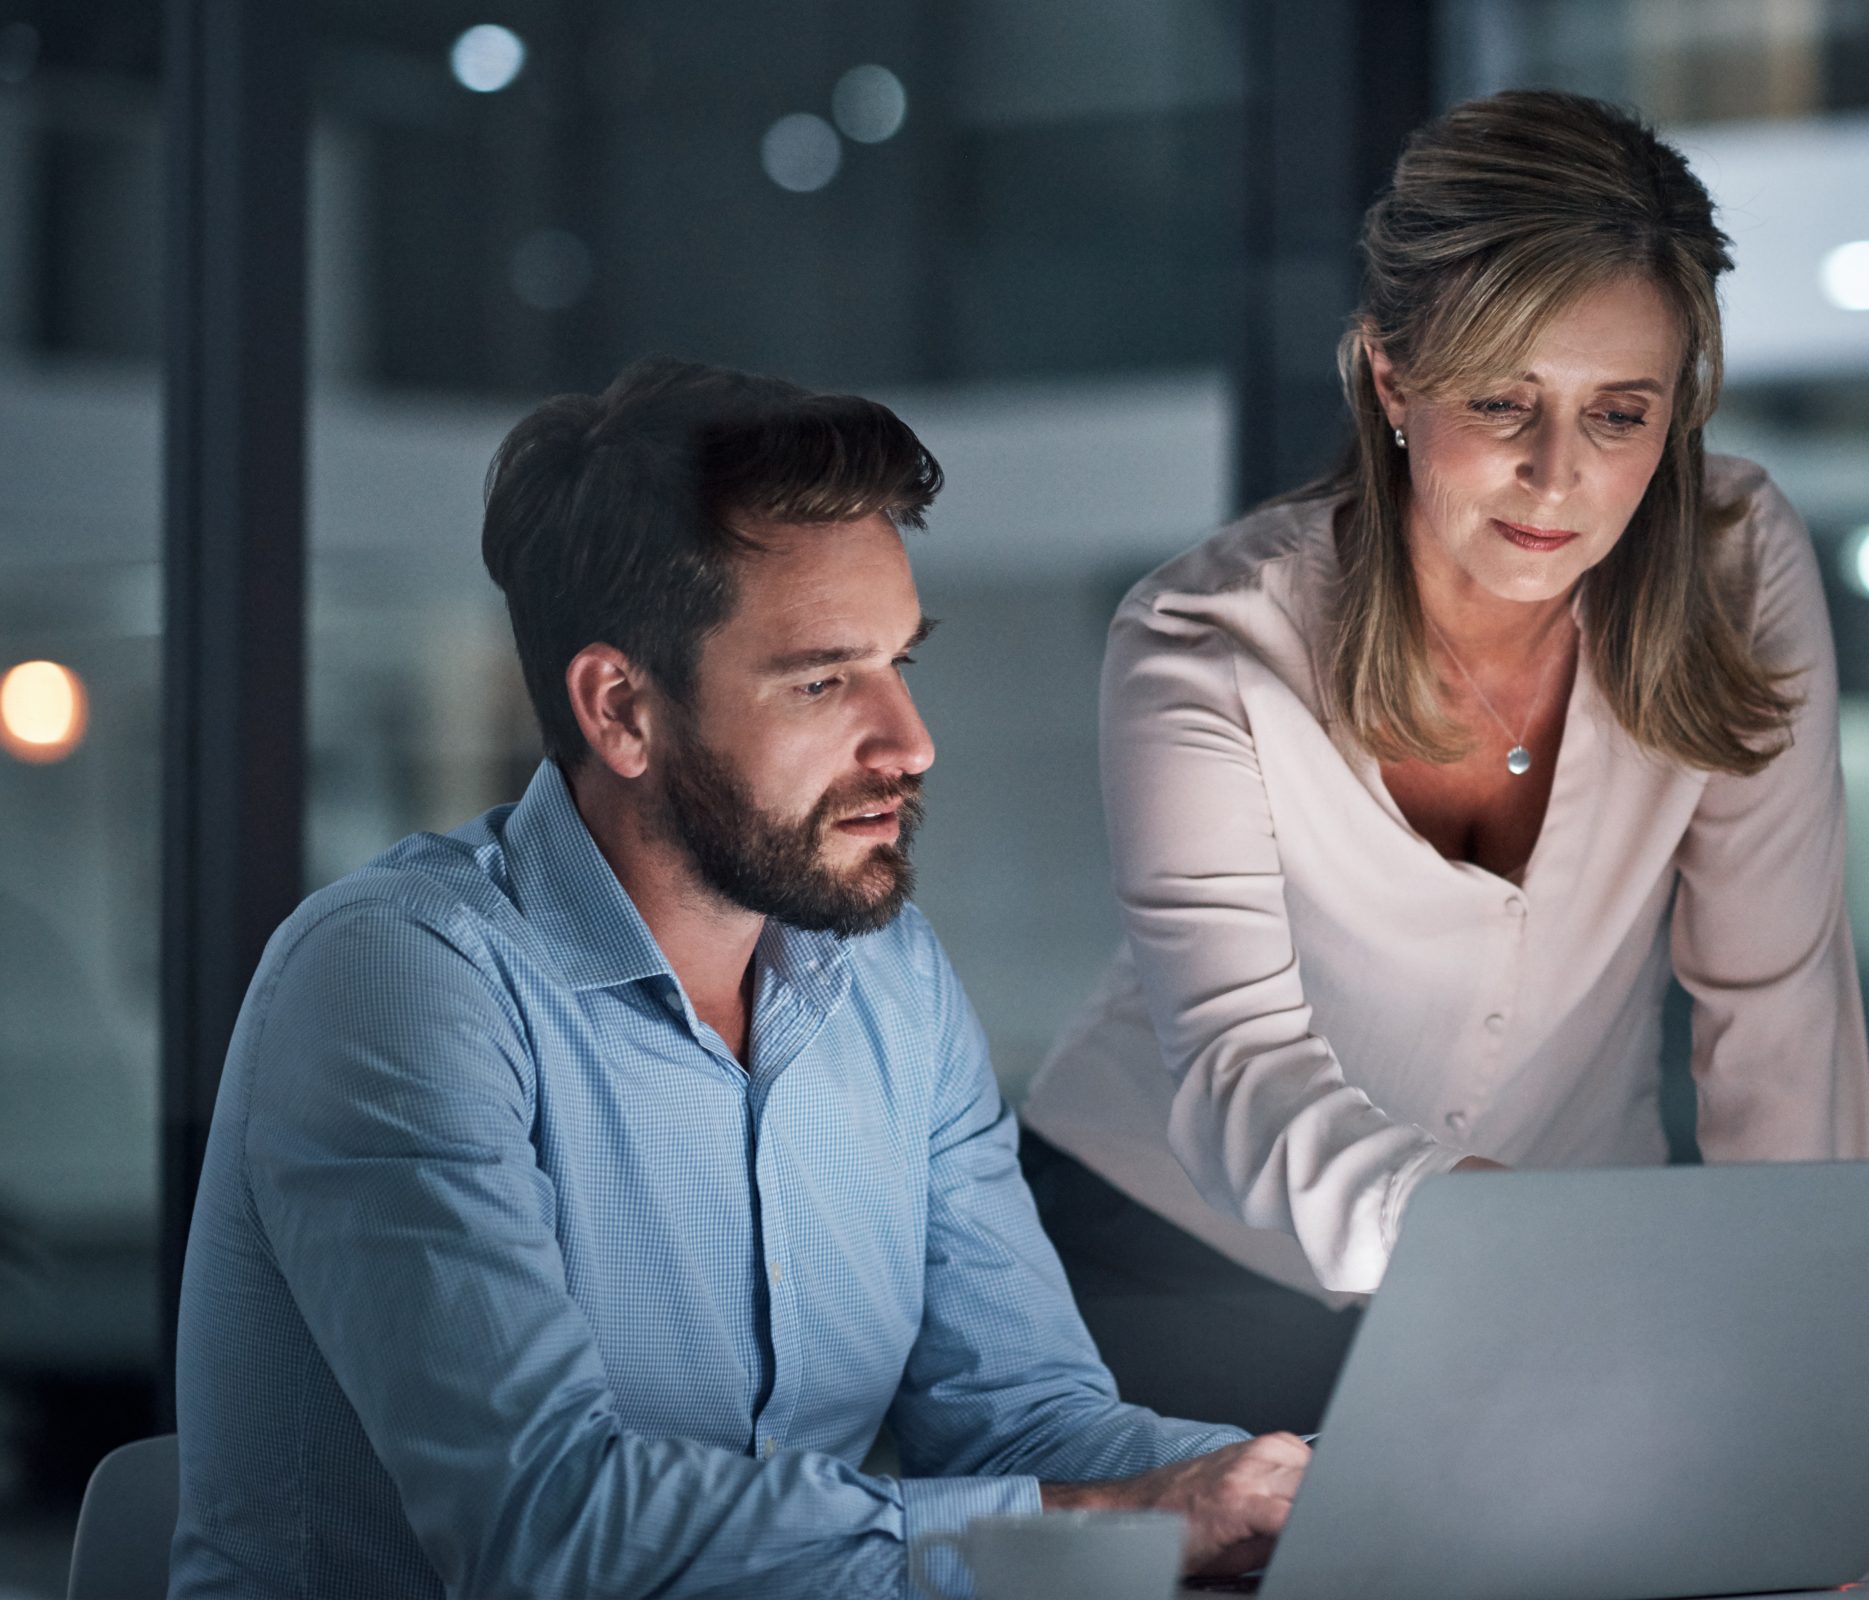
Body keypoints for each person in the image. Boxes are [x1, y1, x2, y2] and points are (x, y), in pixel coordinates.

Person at [171, 358, 1309, 1599]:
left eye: (900, 664)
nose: (909, 742)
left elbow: (1024, 1425)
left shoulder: (889, 982)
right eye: (823, 680)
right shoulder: (401, 980)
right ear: (621, 710)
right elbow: (550, 1528)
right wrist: (1106, 1519)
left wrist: (1286, 1492)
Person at [1019, 89, 1869, 1433]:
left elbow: (1777, 1013)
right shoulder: (1204, 644)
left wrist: (1809, 1409)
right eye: (1502, 400)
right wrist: (1498, 1235)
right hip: (1164, 1265)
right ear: (1391, 378)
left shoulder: (1735, 562)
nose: (1555, 477)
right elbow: (1244, 1068)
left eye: (1619, 415)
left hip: (1538, 1278)